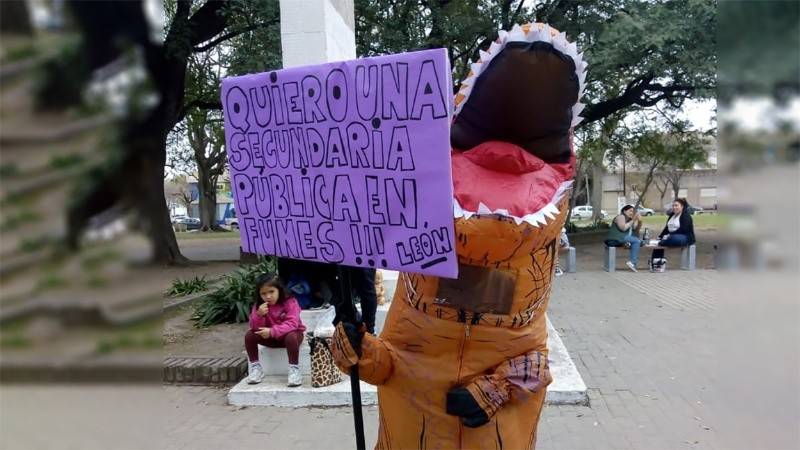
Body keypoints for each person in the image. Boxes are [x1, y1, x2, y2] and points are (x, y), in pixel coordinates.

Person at [244, 272, 306, 386]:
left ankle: (294, 370)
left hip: (291, 338)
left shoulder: (290, 302)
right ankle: (256, 367)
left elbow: (292, 323)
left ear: (279, 290)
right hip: (271, 339)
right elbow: (253, 326)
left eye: (271, 292)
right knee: (250, 335)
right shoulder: (259, 306)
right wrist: (259, 315)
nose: (268, 296)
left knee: (291, 336)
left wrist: (272, 331)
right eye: (263, 294)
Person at [651, 198, 696, 264]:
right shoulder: (672, 215)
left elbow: (683, 229)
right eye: (673, 206)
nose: (674, 207)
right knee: (660, 241)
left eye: (676, 205)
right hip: (670, 236)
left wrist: (670, 235)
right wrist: (660, 236)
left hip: (684, 237)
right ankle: (655, 262)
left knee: (673, 238)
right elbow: (666, 228)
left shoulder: (686, 216)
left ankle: (661, 242)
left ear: (682, 206)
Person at [605, 205, 642, 272]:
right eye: (630, 211)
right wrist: (633, 220)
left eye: (633, 212)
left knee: (639, 242)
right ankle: (632, 262)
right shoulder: (620, 216)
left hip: (622, 239)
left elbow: (636, 231)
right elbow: (623, 228)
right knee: (636, 241)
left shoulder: (630, 220)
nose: (632, 213)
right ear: (624, 211)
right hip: (614, 239)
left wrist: (640, 221)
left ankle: (627, 244)